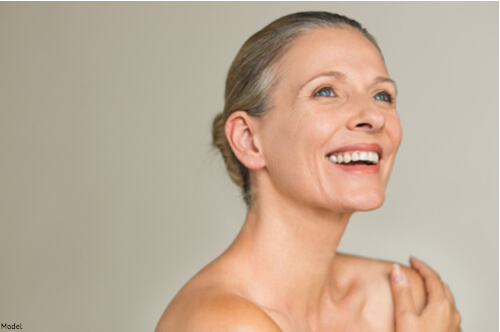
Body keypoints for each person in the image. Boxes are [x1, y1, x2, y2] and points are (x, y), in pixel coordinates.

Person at [156, 11, 461, 331]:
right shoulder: (220, 322)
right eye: (325, 91)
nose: (373, 116)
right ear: (249, 141)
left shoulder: (402, 300)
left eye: (382, 95)